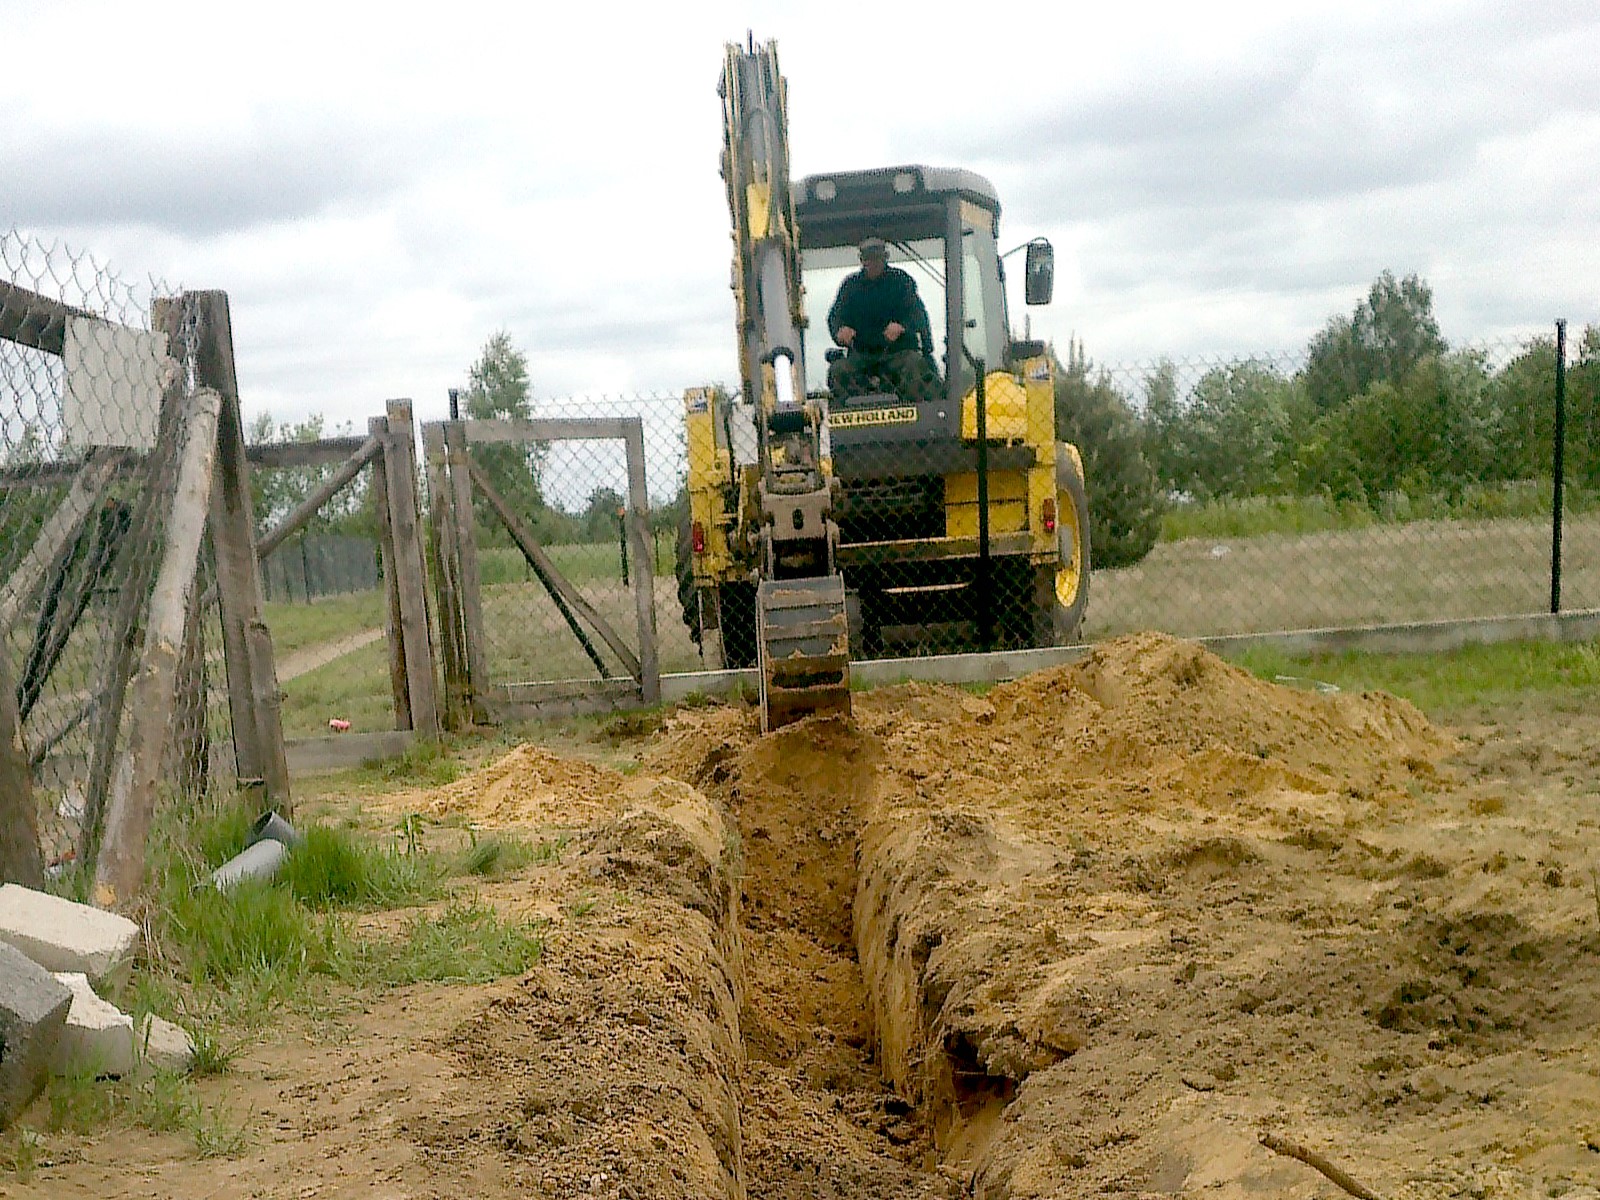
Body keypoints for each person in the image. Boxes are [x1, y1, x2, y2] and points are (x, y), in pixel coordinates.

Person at [826, 238, 940, 402]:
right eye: (868, 259)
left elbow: (918, 315)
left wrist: (902, 327)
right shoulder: (850, 286)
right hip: (861, 355)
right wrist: (840, 331)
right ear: (862, 260)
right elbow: (835, 317)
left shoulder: (901, 281)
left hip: (897, 353)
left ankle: (916, 410)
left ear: (885, 257)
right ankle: (848, 414)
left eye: (877, 258)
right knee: (837, 370)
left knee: (914, 364)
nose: (872, 263)